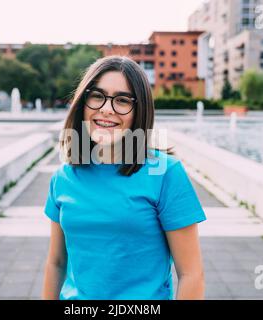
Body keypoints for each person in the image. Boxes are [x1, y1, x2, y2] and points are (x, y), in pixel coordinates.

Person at [41, 55, 206, 300]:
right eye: (97, 95)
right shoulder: (63, 177)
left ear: (139, 111)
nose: (106, 109)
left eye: (122, 100)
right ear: (83, 103)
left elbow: (191, 274)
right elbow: (56, 263)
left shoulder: (165, 174)